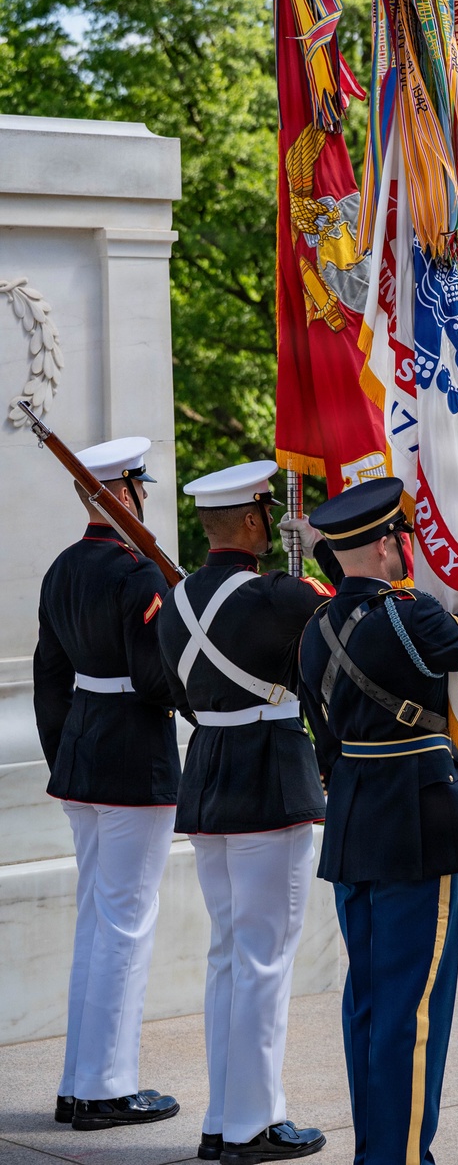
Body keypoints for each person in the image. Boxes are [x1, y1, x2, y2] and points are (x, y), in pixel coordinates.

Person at [295, 477, 458, 1165]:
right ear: (387, 542)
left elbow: (323, 735)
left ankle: (379, 1149)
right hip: (417, 817)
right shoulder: (411, 615)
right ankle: (402, 1156)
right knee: (414, 1007)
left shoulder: (316, 627)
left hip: (354, 816)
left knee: (369, 1002)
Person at [157, 460, 332, 1165]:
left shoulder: (171, 601)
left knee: (231, 955)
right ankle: (253, 1124)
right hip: (269, 781)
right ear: (259, 521)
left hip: (209, 779)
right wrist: (319, 545)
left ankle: (223, 1116)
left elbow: (175, 693)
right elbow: (356, 610)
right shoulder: (281, 596)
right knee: (263, 959)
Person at [33, 436, 180, 1132]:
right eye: (137, 488)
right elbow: (155, 680)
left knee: (99, 923)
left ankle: (77, 1082)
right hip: (131, 762)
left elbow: (49, 678)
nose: (142, 498)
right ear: (122, 495)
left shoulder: (62, 569)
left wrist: (65, 756)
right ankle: (105, 1089)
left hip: (84, 761)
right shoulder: (137, 573)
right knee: (125, 926)